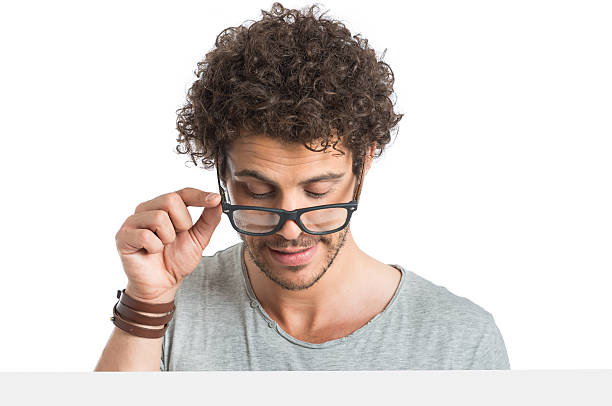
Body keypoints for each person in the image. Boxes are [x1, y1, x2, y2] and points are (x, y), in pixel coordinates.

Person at [95, 2, 510, 371]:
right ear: (221, 171)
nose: (290, 229)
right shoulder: (171, 308)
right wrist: (147, 303)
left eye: (317, 192)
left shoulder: (459, 342)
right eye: (258, 192)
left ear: (363, 165)